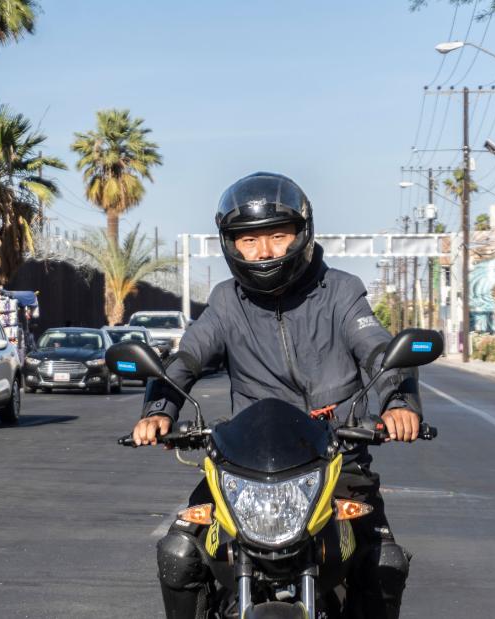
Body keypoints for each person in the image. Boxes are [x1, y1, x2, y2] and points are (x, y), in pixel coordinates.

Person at [131, 172, 421, 619]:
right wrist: (159, 409)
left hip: (337, 459)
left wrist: (398, 403)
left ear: (302, 236)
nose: (263, 251)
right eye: (248, 240)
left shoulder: (342, 292)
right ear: (231, 245)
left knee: (382, 560)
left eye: (277, 236)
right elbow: (186, 358)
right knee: (179, 550)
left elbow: (380, 352)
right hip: (242, 469)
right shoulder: (226, 302)